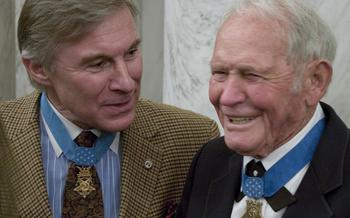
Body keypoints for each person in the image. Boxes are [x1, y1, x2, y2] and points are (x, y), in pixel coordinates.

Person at [0, 0, 220, 217]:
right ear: (39, 69)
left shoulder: (192, 141)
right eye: (98, 64)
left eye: (131, 52)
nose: (126, 83)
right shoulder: (6, 136)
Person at [176, 0, 350, 217]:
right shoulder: (210, 161)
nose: (228, 97)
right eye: (219, 72)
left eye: (252, 75)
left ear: (314, 80)